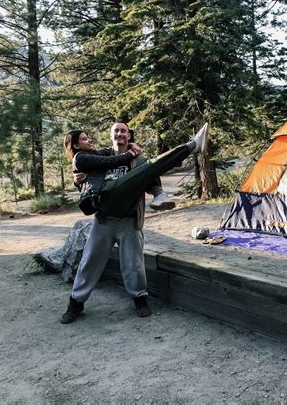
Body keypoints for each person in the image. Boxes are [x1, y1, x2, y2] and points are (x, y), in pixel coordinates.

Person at [60, 122, 208, 324]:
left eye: (124, 131)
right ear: (111, 135)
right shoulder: (102, 156)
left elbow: (151, 176)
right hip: (104, 219)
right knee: (89, 262)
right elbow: (86, 179)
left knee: (134, 264)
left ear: (129, 135)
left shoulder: (139, 159)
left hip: (129, 221)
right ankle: (75, 303)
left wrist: (155, 189)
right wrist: (78, 181)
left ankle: (140, 299)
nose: (120, 134)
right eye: (116, 131)